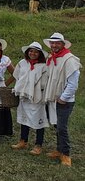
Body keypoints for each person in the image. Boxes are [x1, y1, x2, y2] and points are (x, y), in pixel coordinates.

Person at [43, 32, 81, 167]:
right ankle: (59, 150)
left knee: (62, 127)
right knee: (56, 125)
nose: (54, 45)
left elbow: (73, 83)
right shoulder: (53, 58)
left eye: (57, 43)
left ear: (62, 44)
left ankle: (66, 154)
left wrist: (64, 98)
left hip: (63, 100)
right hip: (54, 98)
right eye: (52, 43)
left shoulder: (69, 59)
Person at [10, 42, 48, 155]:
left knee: (39, 120)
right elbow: (17, 75)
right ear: (27, 52)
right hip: (24, 95)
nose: (33, 53)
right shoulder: (23, 63)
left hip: (37, 97)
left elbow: (45, 82)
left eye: (36, 52)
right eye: (31, 51)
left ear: (40, 54)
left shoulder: (44, 66)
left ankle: (38, 145)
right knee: (24, 118)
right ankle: (23, 140)